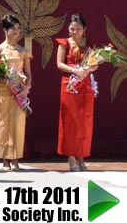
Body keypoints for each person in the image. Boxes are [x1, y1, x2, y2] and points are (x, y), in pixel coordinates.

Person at [55, 14, 97, 171]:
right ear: (68, 28)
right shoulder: (64, 43)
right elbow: (59, 64)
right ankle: (71, 156)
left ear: (84, 29)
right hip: (69, 84)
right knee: (70, 120)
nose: (75, 31)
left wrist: (88, 69)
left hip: (85, 84)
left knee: (85, 121)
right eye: (72, 29)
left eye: (78, 29)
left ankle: (81, 155)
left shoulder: (90, 44)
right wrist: (75, 70)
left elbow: (95, 64)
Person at [0, 14, 32, 171]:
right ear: (5, 30)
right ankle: (4, 160)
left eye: (17, 29)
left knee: (18, 123)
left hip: (19, 93)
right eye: (12, 29)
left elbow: (28, 72)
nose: (16, 32)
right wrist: (5, 81)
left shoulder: (23, 51)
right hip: (3, 91)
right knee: (2, 123)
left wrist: (27, 86)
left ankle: (15, 158)